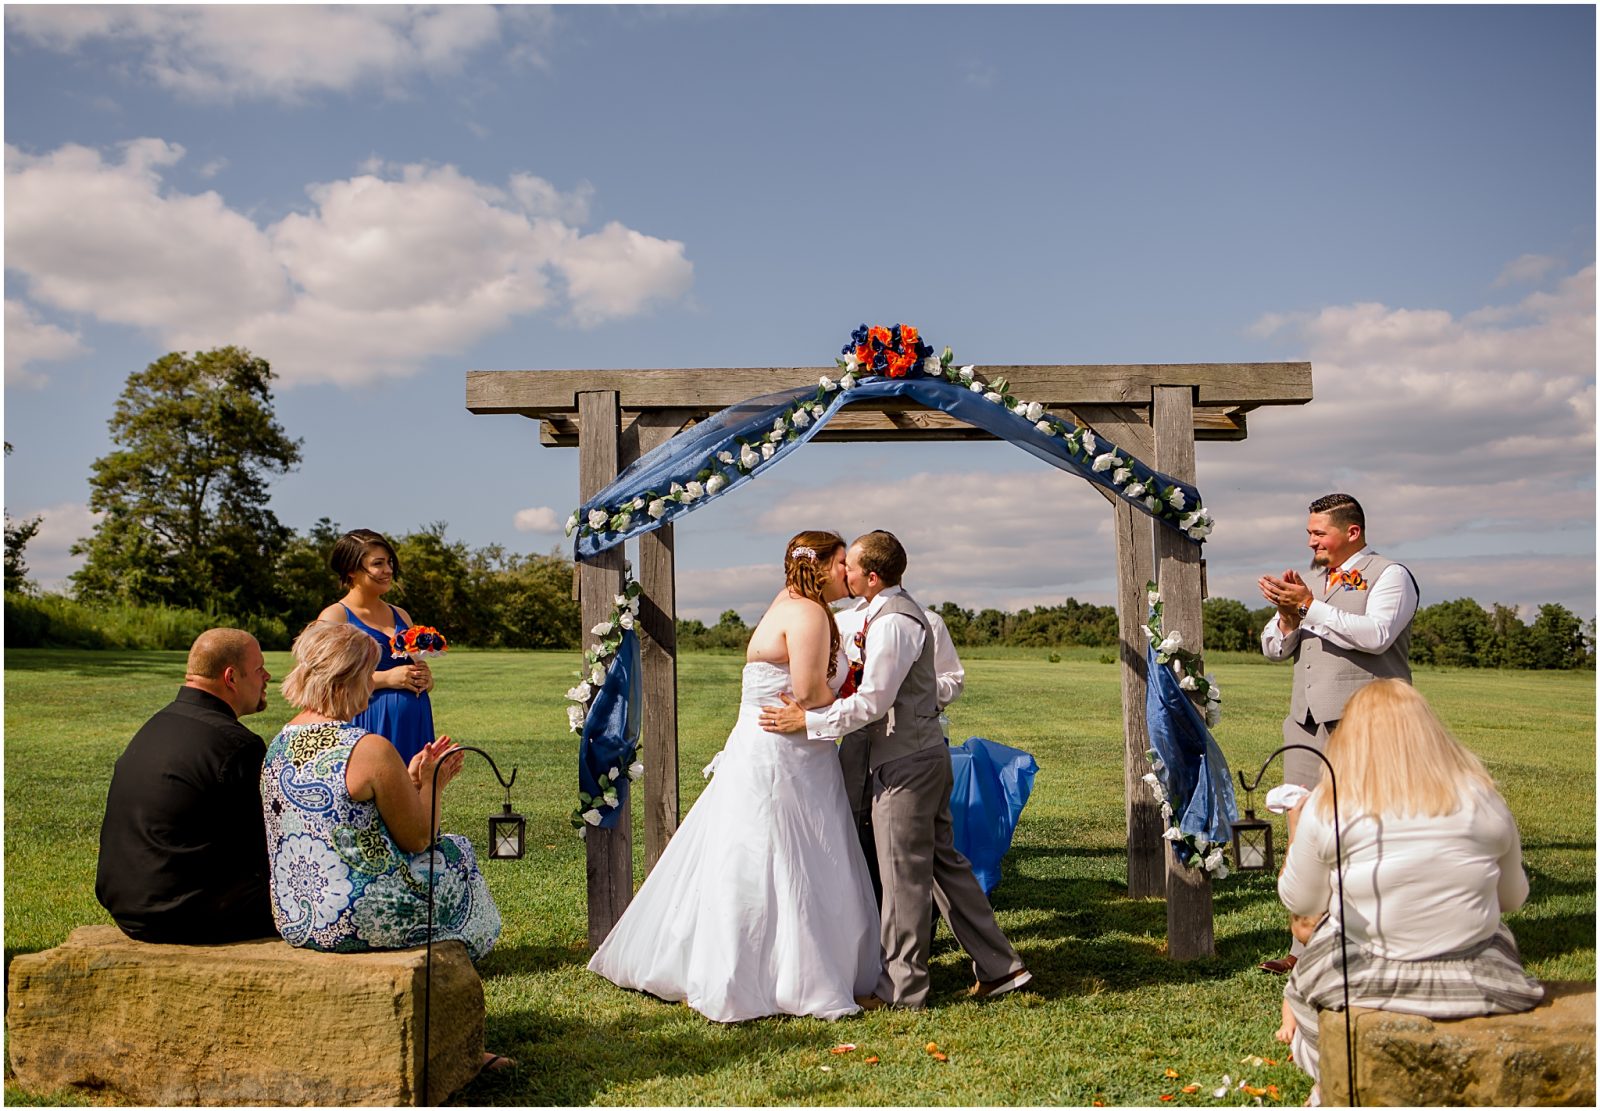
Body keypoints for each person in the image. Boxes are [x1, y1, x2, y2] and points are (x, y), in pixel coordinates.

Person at [588, 531, 881, 1022]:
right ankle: (779, 975)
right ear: (822, 566)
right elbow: (809, 695)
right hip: (785, 754)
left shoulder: (790, 603)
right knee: (787, 856)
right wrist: (866, 704)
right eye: (839, 564)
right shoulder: (808, 613)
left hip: (781, 751)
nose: (845, 573)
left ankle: (757, 966)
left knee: (766, 854)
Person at [761, 531, 1030, 1010]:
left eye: (850, 565)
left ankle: (901, 992)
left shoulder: (896, 624)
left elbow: (874, 701)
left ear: (872, 575)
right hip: (916, 754)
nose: (843, 572)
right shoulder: (875, 615)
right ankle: (1001, 967)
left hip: (905, 761)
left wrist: (810, 720)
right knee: (945, 868)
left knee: (903, 876)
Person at [1275, 680, 1543, 1097]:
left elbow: (1302, 903)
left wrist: (1296, 831)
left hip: (1364, 980)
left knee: (1305, 980)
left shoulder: (1330, 804)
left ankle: (1332, 1085)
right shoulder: (1484, 798)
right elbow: (1513, 898)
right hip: (1480, 985)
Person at [261, 621, 500, 962]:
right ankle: (466, 947)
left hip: (297, 916)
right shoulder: (369, 748)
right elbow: (418, 838)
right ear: (349, 679)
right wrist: (432, 783)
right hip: (357, 917)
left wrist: (409, 781)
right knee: (455, 849)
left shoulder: (279, 742)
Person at [1257, 492, 1419, 973]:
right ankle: (1304, 947)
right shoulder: (1309, 582)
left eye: (1318, 533)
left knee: (1366, 831)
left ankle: (1374, 943)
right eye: (1309, 532)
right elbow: (1272, 648)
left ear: (1352, 532)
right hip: (1304, 721)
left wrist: (1310, 607)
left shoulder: (1392, 575)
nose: (1311, 541)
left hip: (1365, 721)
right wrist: (1288, 618)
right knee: (1303, 831)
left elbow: (1377, 635)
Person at [96, 629, 277, 944]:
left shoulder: (157, 725)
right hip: (188, 912)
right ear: (231, 677)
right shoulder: (236, 746)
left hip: (128, 904)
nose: (267, 676)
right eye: (259, 668)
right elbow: (261, 849)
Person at [834, 590, 965, 902]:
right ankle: (865, 903)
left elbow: (953, 678)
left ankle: (917, 909)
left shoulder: (927, 621)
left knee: (909, 829)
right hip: (858, 731)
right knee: (853, 815)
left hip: (907, 736)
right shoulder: (842, 622)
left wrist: (914, 689)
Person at [318, 529, 437, 765]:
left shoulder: (400, 614)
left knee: (419, 794)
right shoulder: (335, 616)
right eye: (378, 564)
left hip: (415, 722)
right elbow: (323, 684)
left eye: (390, 562)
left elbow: (414, 668)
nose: (389, 570)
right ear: (351, 570)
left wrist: (426, 679)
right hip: (368, 722)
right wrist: (386, 679)